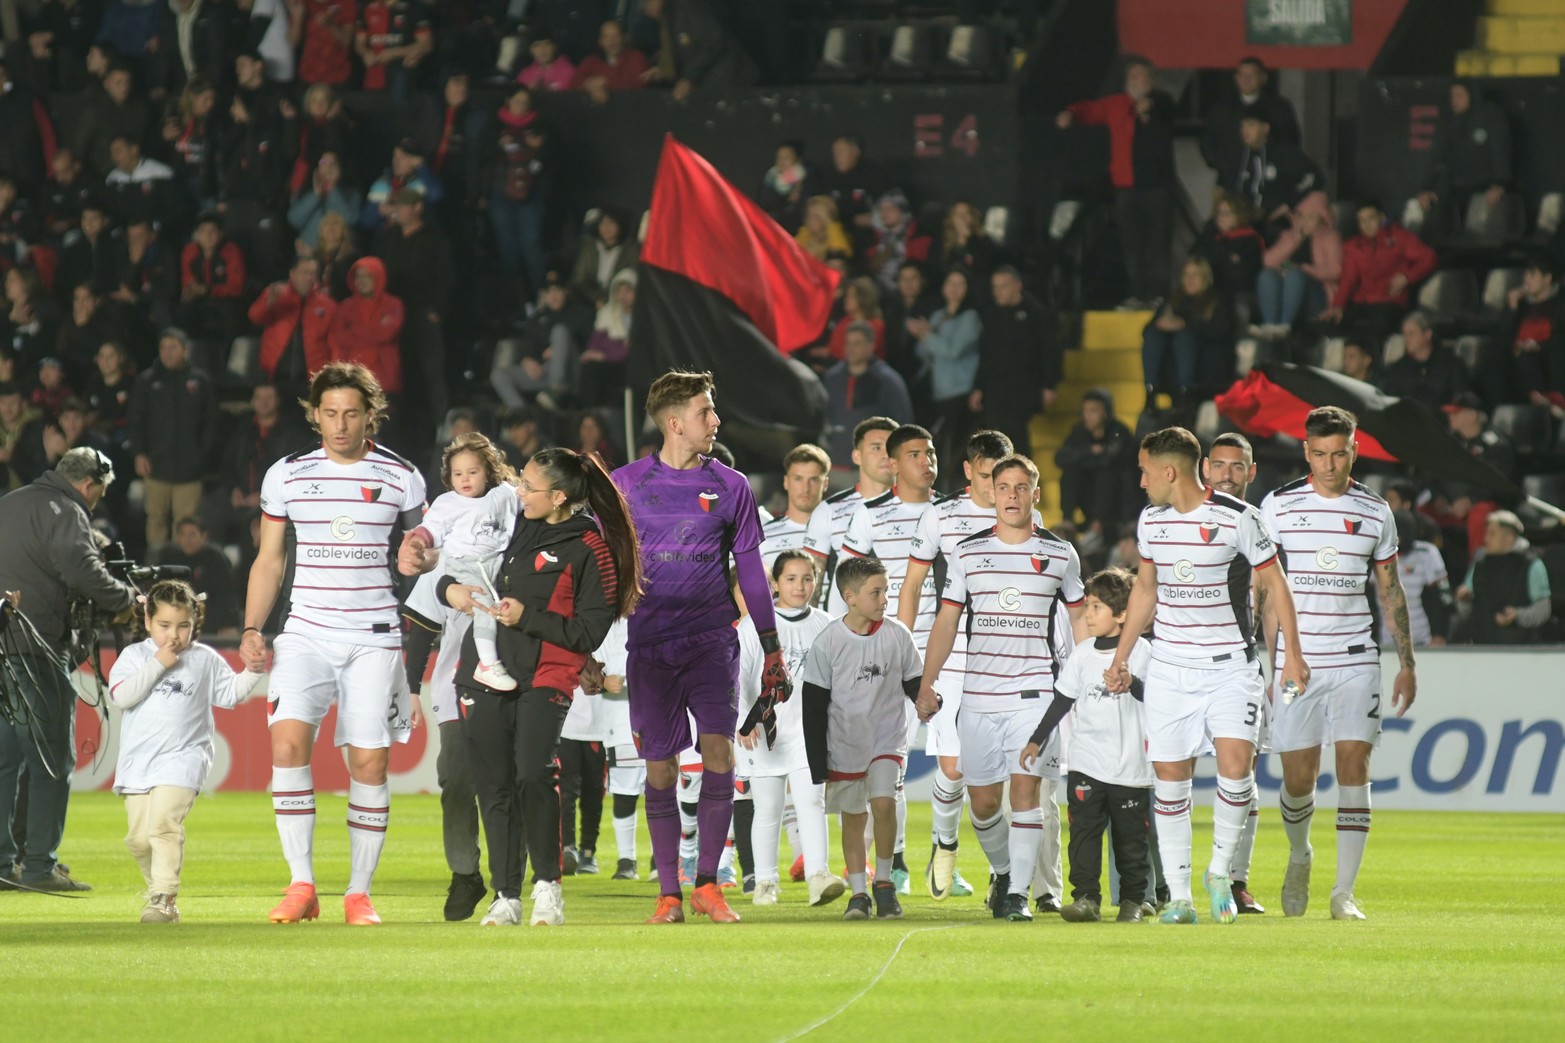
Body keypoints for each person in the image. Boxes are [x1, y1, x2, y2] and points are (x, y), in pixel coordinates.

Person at [411, 448, 641, 927]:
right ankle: (506, 894)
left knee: (533, 773)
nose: (518, 493)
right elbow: (449, 572)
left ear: (558, 497)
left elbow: (589, 630)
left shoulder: (589, 547)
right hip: (483, 671)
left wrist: (528, 618)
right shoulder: (508, 525)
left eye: (529, 487)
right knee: (493, 784)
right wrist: (447, 589)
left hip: (547, 672)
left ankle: (547, 886)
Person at [242, 361, 427, 926]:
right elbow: (270, 559)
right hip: (305, 633)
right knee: (288, 749)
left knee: (369, 762)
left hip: (373, 635)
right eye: (330, 414)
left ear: (371, 414)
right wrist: (253, 627)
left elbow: (426, 552)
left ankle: (358, 893)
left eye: (351, 414)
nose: (340, 425)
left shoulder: (402, 476)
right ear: (314, 414)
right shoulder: (288, 475)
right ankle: (302, 884)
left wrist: (424, 556)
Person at [610, 370, 790, 925]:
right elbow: (601, 567)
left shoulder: (732, 486)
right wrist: (587, 646)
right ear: (674, 422)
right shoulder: (624, 484)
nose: (716, 421)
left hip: (713, 641)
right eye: (706, 411)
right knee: (659, 768)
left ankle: (708, 885)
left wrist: (771, 647)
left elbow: (753, 575)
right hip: (650, 645)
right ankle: (669, 893)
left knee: (719, 754)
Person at [1110, 426, 1306, 925]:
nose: (1140, 481)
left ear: (1169, 472)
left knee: (1237, 768)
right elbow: (1146, 591)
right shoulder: (1151, 521)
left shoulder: (1240, 518)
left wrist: (1292, 655)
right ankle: (1179, 896)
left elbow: (1277, 586)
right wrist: (1122, 656)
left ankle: (1219, 871)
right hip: (1172, 669)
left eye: (1145, 471)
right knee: (1171, 780)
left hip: (1229, 669)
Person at [1260, 407, 1418, 921]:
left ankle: (1343, 892)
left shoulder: (1375, 511)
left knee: (1355, 762)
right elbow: (1265, 590)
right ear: (1307, 452)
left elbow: (1390, 589)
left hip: (1356, 656)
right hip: (1296, 663)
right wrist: (1274, 661)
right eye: (1320, 454)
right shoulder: (1279, 506)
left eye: (1340, 453)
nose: (1330, 464)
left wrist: (1407, 662)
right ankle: (1301, 853)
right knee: (1298, 777)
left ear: (1355, 450)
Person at [919, 454, 1085, 921]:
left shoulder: (1060, 553)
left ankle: (1016, 895)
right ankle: (1007, 872)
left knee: (1026, 794)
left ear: (1036, 493)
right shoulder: (967, 552)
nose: (1012, 495)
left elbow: (1077, 618)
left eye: (1021, 487)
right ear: (992, 492)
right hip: (977, 696)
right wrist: (927, 683)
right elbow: (947, 620)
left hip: (1034, 694)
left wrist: (1087, 673)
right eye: (1004, 486)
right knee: (984, 804)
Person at [0, 447, 138, 891]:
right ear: (90, 484)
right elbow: (81, 568)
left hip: (2, 646)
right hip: (36, 647)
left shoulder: (11, 501)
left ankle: (3, 865)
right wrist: (125, 600)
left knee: (7, 758)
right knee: (51, 755)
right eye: (98, 493)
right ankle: (40, 866)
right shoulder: (67, 510)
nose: (95, 502)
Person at [108, 580, 263, 923]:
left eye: (183, 626)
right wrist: (159, 663)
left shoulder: (203, 659)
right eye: (164, 626)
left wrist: (253, 670)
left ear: (195, 624)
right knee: (138, 840)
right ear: (148, 620)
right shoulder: (134, 657)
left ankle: (164, 897)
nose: (174, 635)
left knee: (163, 824)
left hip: (185, 757)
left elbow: (229, 694)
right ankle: (158, 893)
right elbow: (121, 696)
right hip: (140, 762)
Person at [802, 556, 934, 921]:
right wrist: (818, 765)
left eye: (886, 591)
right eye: (876, 592)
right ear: (850, 596)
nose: (884, 599)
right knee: (853, 818)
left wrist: (924, 700)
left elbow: (913, 681)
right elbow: (813, 705)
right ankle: (858, 892)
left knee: (884, 804)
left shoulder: (897, 635)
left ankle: (886, 883)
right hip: (844, 744)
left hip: (887, 740)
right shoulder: (828, 642)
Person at [839, 423, 941, 892]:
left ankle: (946, 849)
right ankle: (893, 864)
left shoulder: (954, 513)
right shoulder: (869, 516)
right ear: (895, 465)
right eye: (915, 453)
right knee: (889, 765)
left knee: (957, 767)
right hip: (887, 656)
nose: (926, 461)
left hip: (951, 654)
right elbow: (848, 587)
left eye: (930, 452)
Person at [1020, 566, 1154, 922]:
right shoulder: (1082, 654)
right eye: (1088, 605)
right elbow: (1062, 700)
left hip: (1130, 767)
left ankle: (1131, 901)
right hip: (1085, 762)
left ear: (1123, 614)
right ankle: (1086, 899)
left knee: (1130, 841)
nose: (1088, 614)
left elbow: (1156, 700)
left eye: (1097, 607)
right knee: (1083, 835)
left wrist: (1133, 684)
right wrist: (1036, 739)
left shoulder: (1142, 651)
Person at [736, 550, 841, 907]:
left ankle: (818, 876)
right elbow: (736, 677)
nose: (800, 586)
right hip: (765, 731)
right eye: (791, 579)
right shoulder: (755, 625)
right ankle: (765, 883)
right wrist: (743, 721)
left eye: (807, 578)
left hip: (809, 731)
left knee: (812, 801)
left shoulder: (827, 624)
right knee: (767, 808)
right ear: (775, 584)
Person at [1201, 431, 1266, 913]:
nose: (1226, 474)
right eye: (1219, 465)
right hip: (1176, 662)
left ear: (1251, 471)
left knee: (1242, 771)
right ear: (1205, 468)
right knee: (1164, 773)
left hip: (1237, 662)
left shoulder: (1257, 523)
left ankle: (1235, 880)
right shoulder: (1178, 515)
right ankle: (1163, 883)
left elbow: (1269, 592)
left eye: (1236, 466)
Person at [1057, 56, 1176, 307]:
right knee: (1132, 245)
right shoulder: (1117, 105)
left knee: (1158, 244)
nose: (1135, 81)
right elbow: (1091, 110)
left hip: (1158, 188)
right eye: (1131, 77)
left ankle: (1159, 295)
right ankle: (1137, 294)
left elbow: (1167, 111)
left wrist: (1149, 108)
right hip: (1126, 188)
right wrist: (1070, 113)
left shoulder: (1163, 102)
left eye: (1141, 76)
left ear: (1151, 81)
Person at [127, 328, 217, 551]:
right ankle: (155, 576)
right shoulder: (147, 381)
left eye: (173, 347)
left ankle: (180, 580)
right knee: (155, 522)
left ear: (185, 351)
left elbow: (211, 424)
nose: (167, 353)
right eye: (163, 347)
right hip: (155, 468)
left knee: (185, 527)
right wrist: (139, 453)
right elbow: (136, 421)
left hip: (189, 473)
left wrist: (200, 457)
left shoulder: (200, 381)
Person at [803, 416, 896, 614]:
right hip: (849, 633)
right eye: (876, 447)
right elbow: (813, 585)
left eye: (891, 448)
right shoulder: (829, 510)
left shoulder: (925, 509)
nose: (885, 455)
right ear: (857, 456)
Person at [1320, 202, 1437, 347]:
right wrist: (1338, 305)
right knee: (1331, 325)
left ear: (1381, 217)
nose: (1366, 225)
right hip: (1363, 302)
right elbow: (1348, 279)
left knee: (1376, 330)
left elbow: (1429, 257)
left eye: (1371, 219)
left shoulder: (1399, 237)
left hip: (1390, 302)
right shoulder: (1354, 246)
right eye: (1361, 220)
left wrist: (1407, 276)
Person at [971, 267, 1060, 456]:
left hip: (1024, 386)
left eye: (1003, 286)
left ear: (1017, 286)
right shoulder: (991, 315)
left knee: (1016, 434)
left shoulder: (1036, 313)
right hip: (996, 387)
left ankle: (1023, 480)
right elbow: (985, 354)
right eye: (995, 287)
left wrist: (1050, 384)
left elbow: (1050, 351)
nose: (997, 292)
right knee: (994, 435)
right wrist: (978, 386)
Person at [1416, 81, 1513, 242]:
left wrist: (1499, 184)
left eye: (1459, 96)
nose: (1454, 100)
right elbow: (1435, 155)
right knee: (1431, 210)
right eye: (1452, 96)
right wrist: (1425, 188)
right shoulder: (1447, 120)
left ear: (1472, 96)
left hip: (1485, 185)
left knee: (1480, 231)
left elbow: (1501, 151)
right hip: (1455, 186)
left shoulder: (1492, 116)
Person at [911, 269, 982, 471]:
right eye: (950, 282)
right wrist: (924, 334)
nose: (954, 288)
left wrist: (927, 335)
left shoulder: (970, 317)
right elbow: (922, 352)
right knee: (938, 445)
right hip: (938, 391)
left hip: (960, 390)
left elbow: (954, 350)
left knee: (954, 447)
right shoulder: (937, 316)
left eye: (960, 284)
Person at [1142, 257, 1234, 401]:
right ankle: (1150, 390)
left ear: (1205, 278)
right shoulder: (1173, 300)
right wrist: (1161, 324)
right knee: (1153, 334)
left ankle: (1186, 392)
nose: (1190, 279)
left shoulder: (1216, 301)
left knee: (1185, 337)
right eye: (1186, 274)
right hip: (1172, 362)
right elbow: (1147, 330)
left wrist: (1186, 325)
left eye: (1195, 275)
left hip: (1206, 361)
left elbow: (1220, 331)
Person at [1455, 510, 1553, 644]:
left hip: (1520, 649)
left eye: (1492, 534)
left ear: (1509, 538)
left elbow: (1543, 610)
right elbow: (1466, 610)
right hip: (1481, 647)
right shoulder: (1480, 563)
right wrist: (1463, 600)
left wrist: (1518, 616)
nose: (1486, 538)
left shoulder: (1532, 565)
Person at [823, 323, 913, 467]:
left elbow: (903, 422)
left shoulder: (888, 380)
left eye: (857, 343)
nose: (850, 348)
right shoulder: (832, 378)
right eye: (848, 343)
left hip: (873, 468)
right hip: (836, 463)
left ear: (871, 346)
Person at [1227, 112, 1324, 244]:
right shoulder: (1237, 156)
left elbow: (1315, 176)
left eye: (1250, 125)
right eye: (1242, 126)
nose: (1245, 131)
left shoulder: (1283, 153)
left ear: (1265, 128)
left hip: (1275, 219)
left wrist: (1288, 203)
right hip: (1244, 217)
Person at [1200, 56, 1303, 178]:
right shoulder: (1222, 108)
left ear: (1263, 78)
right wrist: (1221, 166)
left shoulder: (1279, 108)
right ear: (1236, 78)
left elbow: (1291, 141)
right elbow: (1208, 141)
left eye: (1251, 75)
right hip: (1230, 178)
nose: (1246, 80)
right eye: (1242, 75)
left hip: (1270, 177)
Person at [1483, 254, 1564, 407]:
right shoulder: (1521, 305)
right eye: (1526, 274)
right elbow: (1502, 338)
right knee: (1494, 359)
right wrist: (1511, 309)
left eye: (1532, 275)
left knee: (1528, 358)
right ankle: (1495, 409)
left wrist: (1538, 346)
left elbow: (1561, 340)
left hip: (1545, 360)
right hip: (1517, 360)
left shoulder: (1560, 304)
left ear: (1547, 278)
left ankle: (1545, 400)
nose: (1526, 280)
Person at [1055, 389, 1136, 539]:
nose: (1087, 416)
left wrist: (1085, 458)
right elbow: (1060, 459)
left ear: (1106, 413)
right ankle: (1068, 521)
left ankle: (1097, 525)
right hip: (1089, 495)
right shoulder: (1079, 432)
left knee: (1106, 472)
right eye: (1085, 411)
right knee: (1071, 471)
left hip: (1116, 502)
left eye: (1093, 411)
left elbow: (1111, 460)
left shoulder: (1119, 431)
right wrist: (1090, 451)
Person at [250, 256, 337, 393]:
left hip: (311, 378)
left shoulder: (327, 305)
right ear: (292, 273)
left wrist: (334, 376)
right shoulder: (277, 295)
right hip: (276, 374)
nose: (309, 277)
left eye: (312, 273)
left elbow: (334, 343)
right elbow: (255, 317)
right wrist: (268, 303)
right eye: (304, 272)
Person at [1257, 192, 1341, 332]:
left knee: (1296, 275)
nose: (1304, 222)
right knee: (1267, 275)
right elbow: (1268, 261)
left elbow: (1336, 270)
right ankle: (1270, 327)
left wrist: (1303, 268)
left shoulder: (1329, 237)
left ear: (1321, 218)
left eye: (1310, 217)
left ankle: (1284, 327)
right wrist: (1295, 239)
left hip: (1317, 296)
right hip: (1286, 288)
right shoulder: (1289, 236)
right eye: (1301, 216)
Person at [1381, 510, 1453, 648]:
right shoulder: (1375, 554)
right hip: (1385, 642)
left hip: (1420, 640)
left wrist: (1440, 634)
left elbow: (1443, 595)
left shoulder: (1427, 553)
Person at [557, 676, 606, 877]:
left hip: (600, 728)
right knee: (566, 791)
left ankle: (588, 852)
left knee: (593, 793)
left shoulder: (610, 644)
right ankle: (567, 848)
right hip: (565, 725)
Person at [156, 516, 240, 634]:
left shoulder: (215, 557)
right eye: (183, 535)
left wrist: (228, 624)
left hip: (211, 621)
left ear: (204, 536)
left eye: (192, 534)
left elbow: (227, 595)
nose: (187, 539)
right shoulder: (169, 558)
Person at [1381, 312, 1469, 410]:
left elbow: (1460, 398)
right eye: (1404, 334)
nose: (1406, 339)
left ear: (1427, 334)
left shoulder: (1451, 364)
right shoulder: (1397, 369)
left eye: (1411, 333)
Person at [761, 444, 830, 570]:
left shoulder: (844, 533)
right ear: (786, 482)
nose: (806, 488)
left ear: (825, 484)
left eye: (813, 480)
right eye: (798, 479)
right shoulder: (762, 537)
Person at [1192, 192, 1265, 303]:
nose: (1221, 218)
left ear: (1239, 215)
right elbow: (1195, 257)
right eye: (1219, 213)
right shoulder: (1211, 235)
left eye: (1226, 214)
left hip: (1233, 294)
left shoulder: (1250, 240)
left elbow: (1241, 274)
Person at [573, 20, 649, 103]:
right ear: (600, 42)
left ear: (623, 37)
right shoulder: (591, 61)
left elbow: (638, 85)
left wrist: (605, 84)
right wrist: (589, 84)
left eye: (616, 35)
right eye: (606, 37)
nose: (612, 40)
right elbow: (573, 83)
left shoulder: (636, 57)